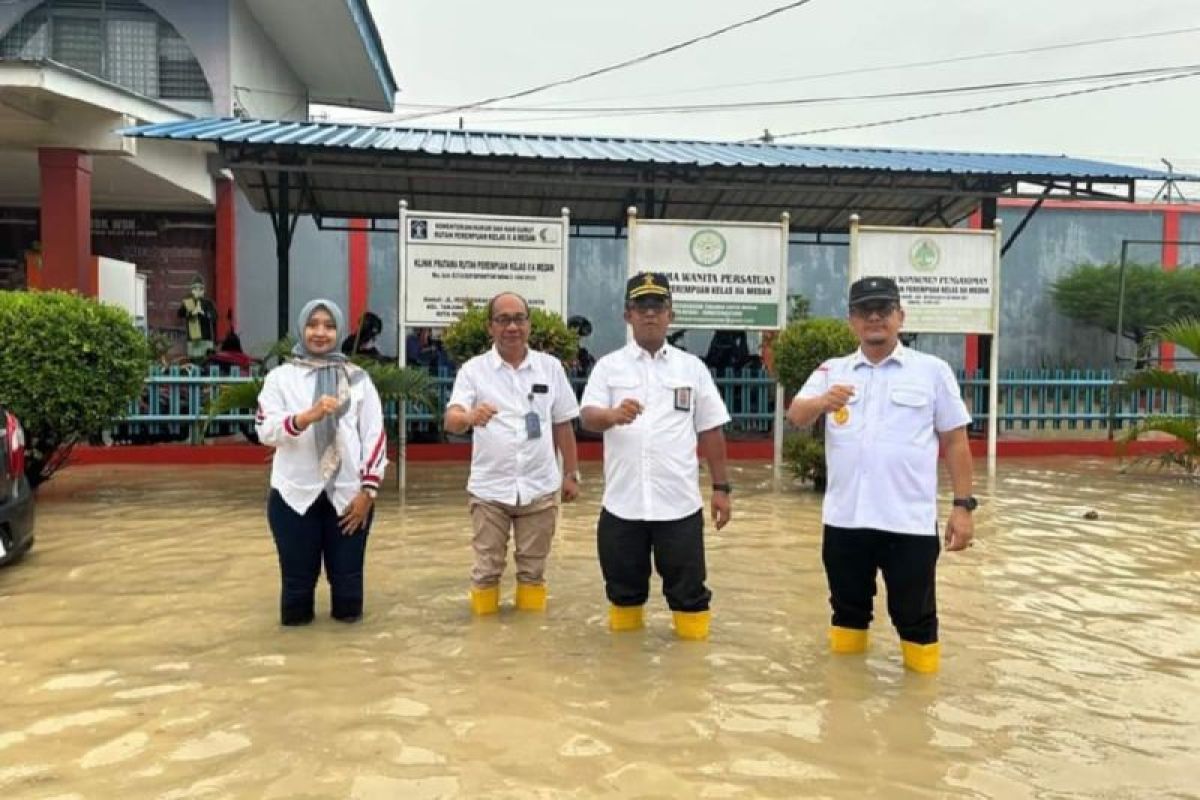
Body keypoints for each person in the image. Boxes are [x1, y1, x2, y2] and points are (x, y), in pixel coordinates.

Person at [785, 276, 975, 674]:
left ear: (900, 317)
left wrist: (963, 507)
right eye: (864, 311)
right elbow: (796, 416)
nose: (875, 318)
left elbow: (956, 442)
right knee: (847, 613)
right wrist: (822, 401)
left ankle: (919, 712)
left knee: (917, 619)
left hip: (908, 523)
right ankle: (845, 705)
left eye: (884, 310)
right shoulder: (832, 371)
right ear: (852, 321)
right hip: (845, 520)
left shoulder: (932, 371)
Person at [580, 272, 732, 641]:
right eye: (641, 307)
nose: (650, 314)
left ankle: (692, 682)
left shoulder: (691, 368)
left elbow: (710, 429)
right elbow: (587, 416)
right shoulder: (608, 367)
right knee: (623, 596)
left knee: (690, 597)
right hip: (622, 507)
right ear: (627, 316)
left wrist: (722, 488)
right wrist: (612, 415)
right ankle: (625, 681)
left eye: (657, 306)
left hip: (678, 507)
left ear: (670, 315)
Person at [444, 292, 581, 615]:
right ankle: (485, 650)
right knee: (486, 572)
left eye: (519, 318)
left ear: (529, 325)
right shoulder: (473, 371)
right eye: (503, 319)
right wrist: (469, 417)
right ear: (490, 327)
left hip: (540, 488)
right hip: (490, 489)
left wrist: (571, 474)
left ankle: (530, 648)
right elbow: (451, 419)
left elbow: (563, 424)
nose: (512, 327)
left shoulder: (550, 369)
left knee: (533, 572)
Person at [255, 299, 387, 626]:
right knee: (297, 592)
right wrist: (305, 417)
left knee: (348, 592)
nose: (320, 332)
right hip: (294, 496)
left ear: (339, 331)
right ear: (302, 328)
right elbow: (265, 430)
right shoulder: (280, 378)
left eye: (328, 326)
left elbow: (375, 437)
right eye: (313, 324)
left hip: (348, 499)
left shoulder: (357, 380)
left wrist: (367, 493)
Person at [177, 274, 218, 360]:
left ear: (203, 291)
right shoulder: (188, 303)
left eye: (200, 289)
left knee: (206, 362)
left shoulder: (208, 303)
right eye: (195, 289)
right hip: (193, 340)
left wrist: (203, 313)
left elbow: (215, 316)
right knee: (193, 362)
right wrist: (192, 313)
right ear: (192, 291)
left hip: (206, 339)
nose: (198, 292)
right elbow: (180, 314)